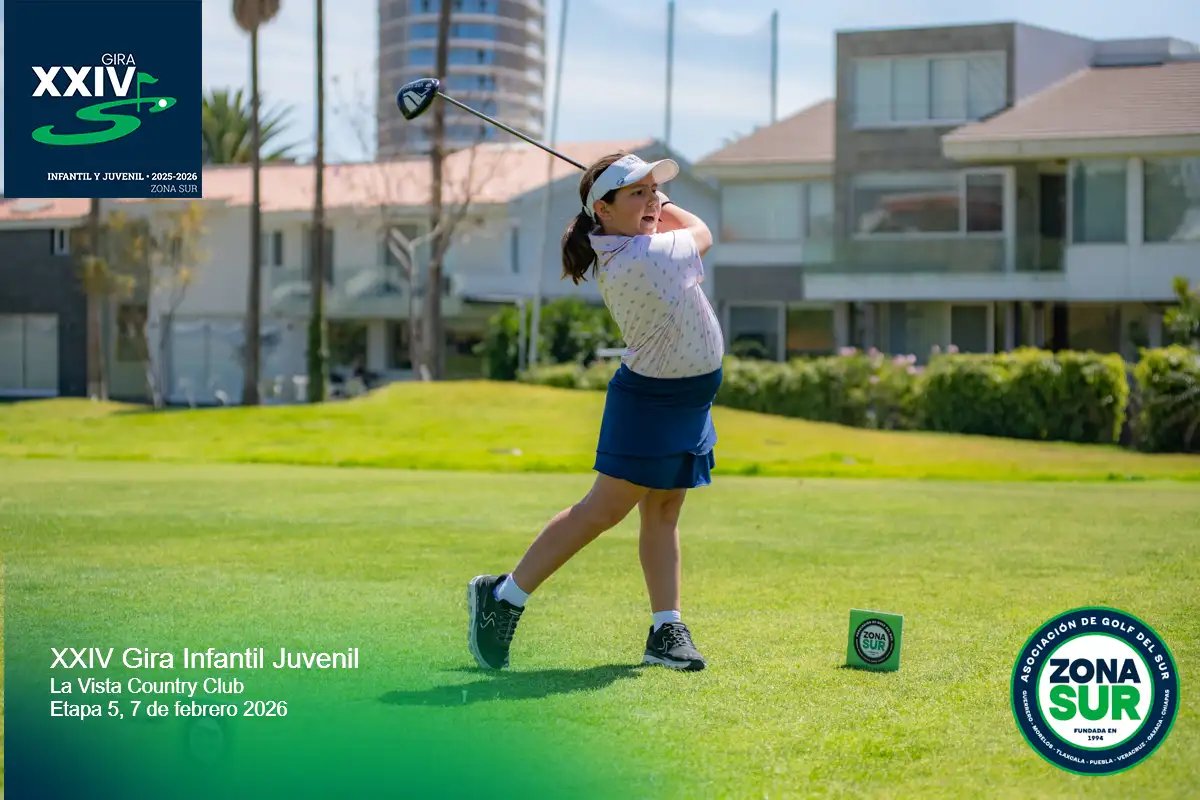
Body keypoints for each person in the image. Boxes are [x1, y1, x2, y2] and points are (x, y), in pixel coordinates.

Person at [467, 152, 725, 672]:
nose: (652, 202)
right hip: (651, 402)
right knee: (602, 511)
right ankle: (502, 597)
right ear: (602, 211)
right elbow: (702, 232)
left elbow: (667, 227)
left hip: (689, 396)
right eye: (638, 193)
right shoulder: (642, 257)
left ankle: (665, 630)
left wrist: (647, 203)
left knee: (664, 509)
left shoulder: (636, 242)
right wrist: (667, 204)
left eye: (653, 191)